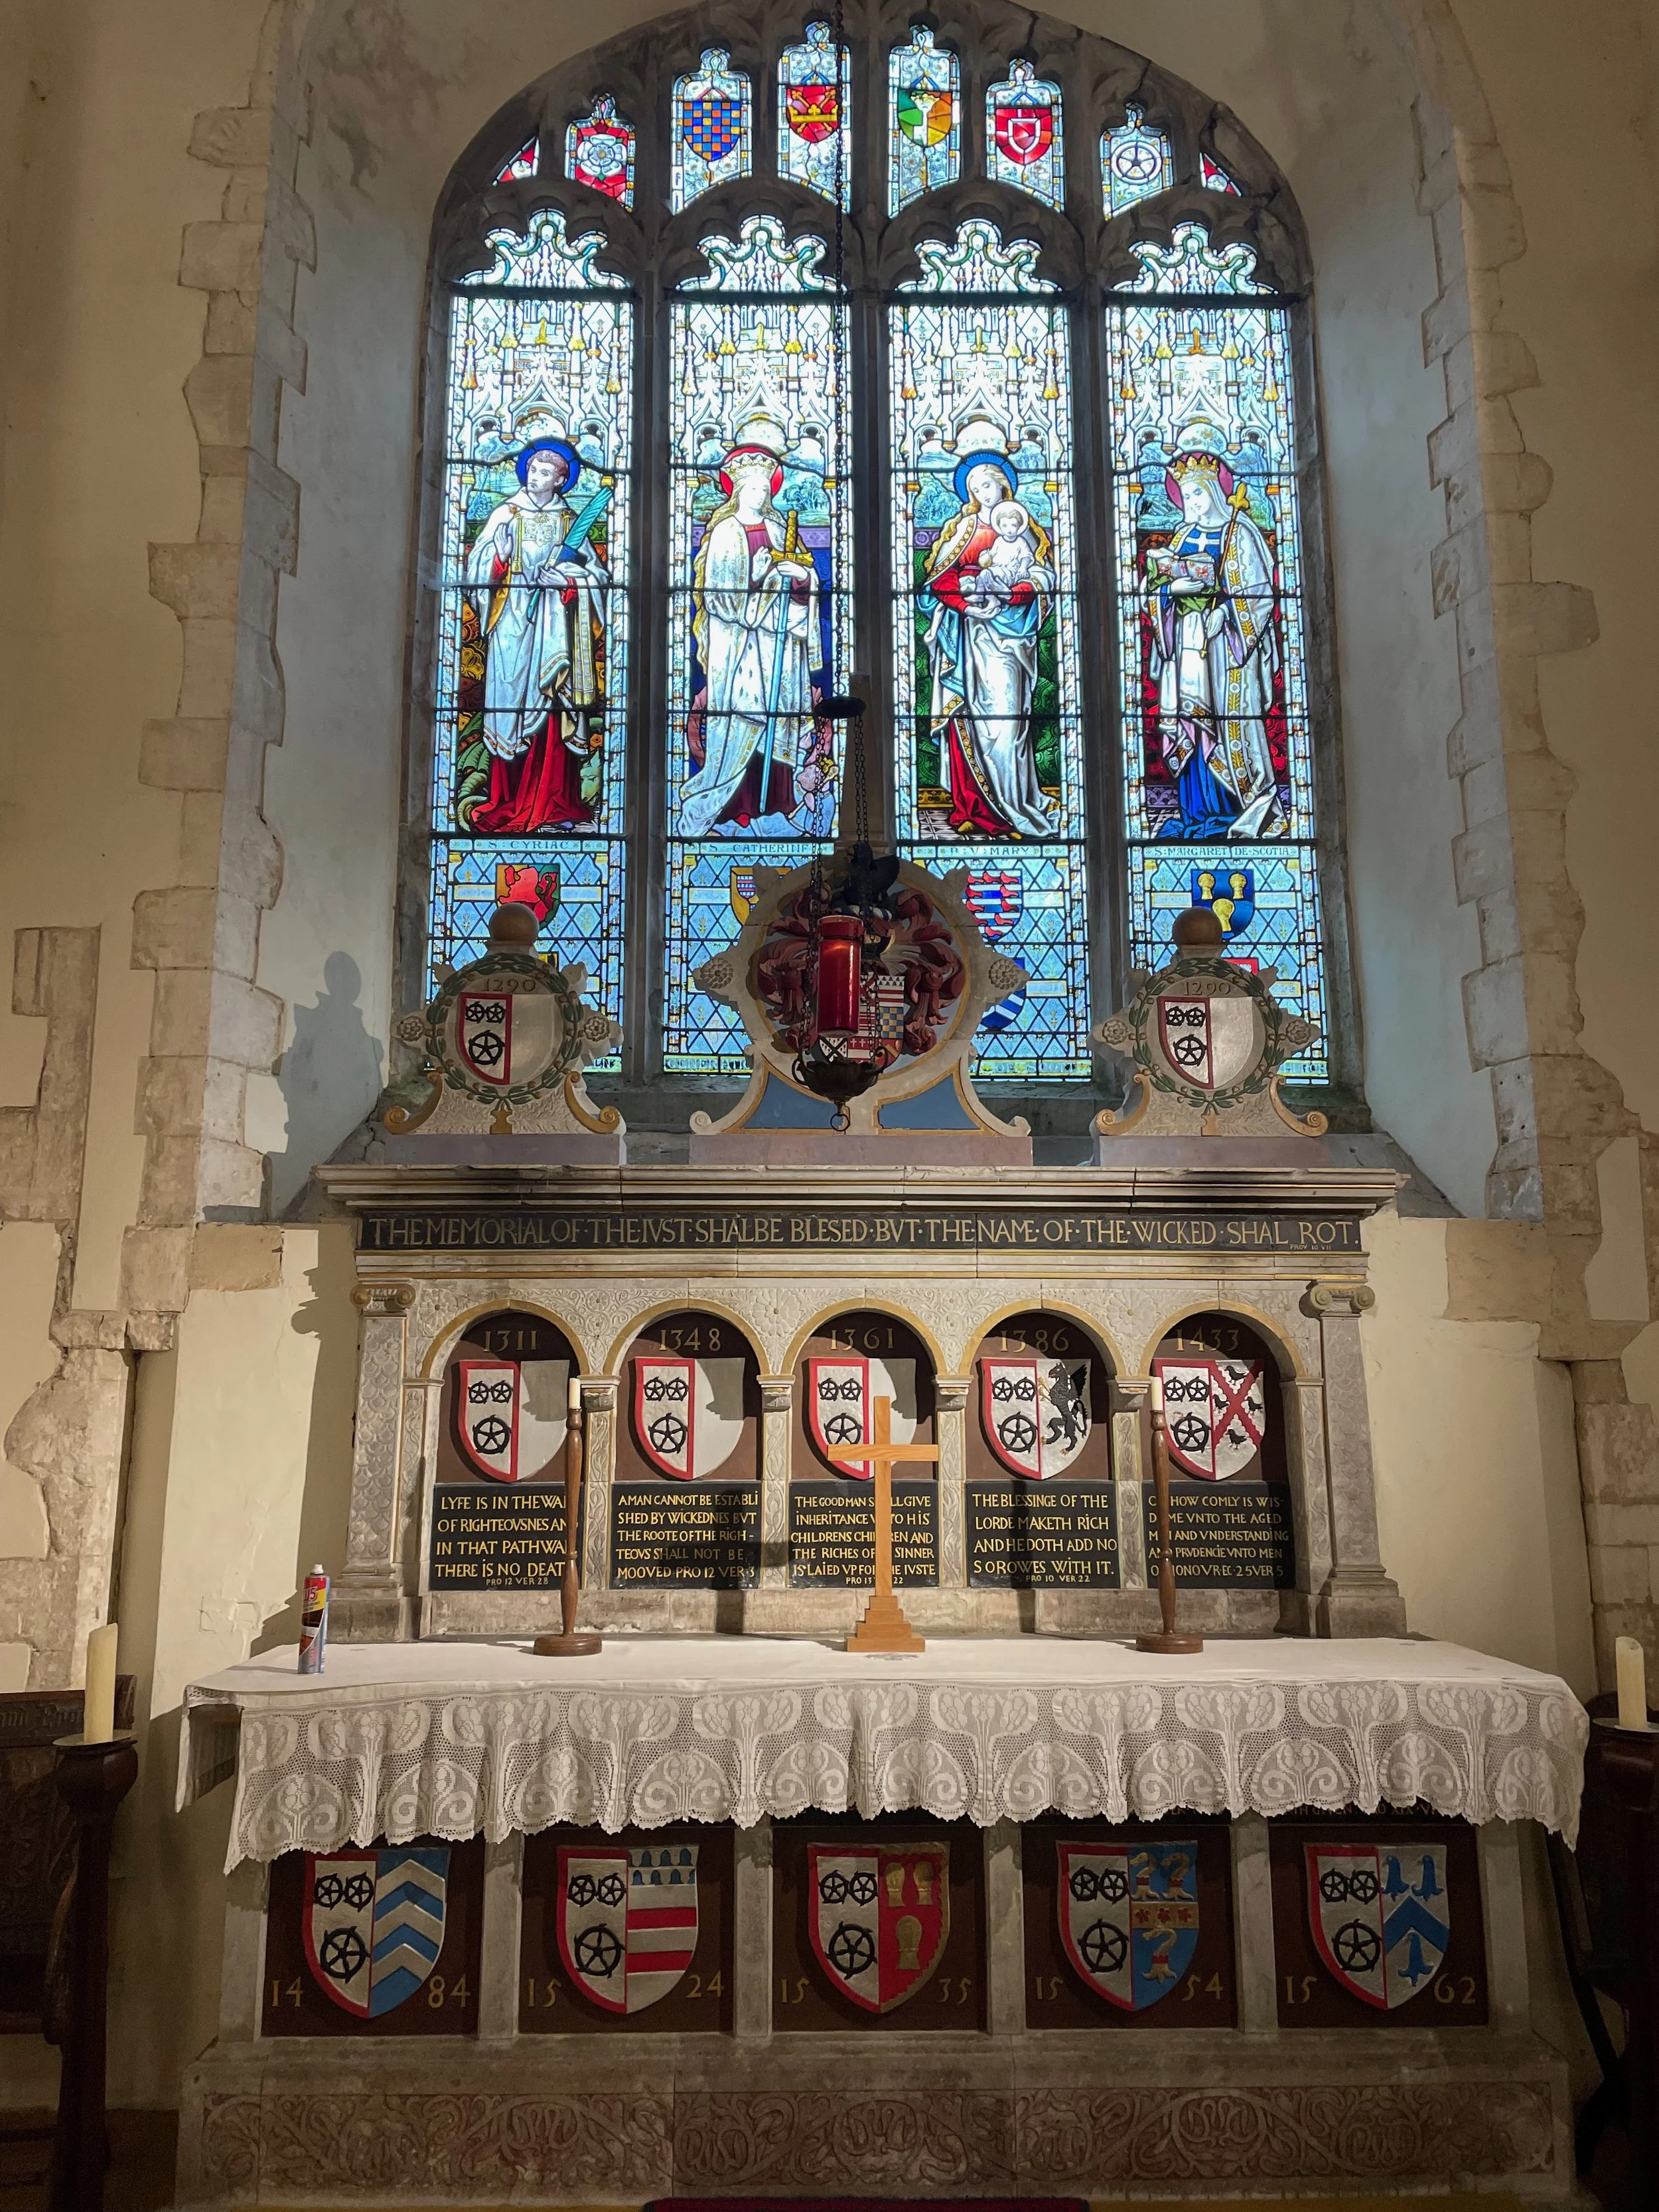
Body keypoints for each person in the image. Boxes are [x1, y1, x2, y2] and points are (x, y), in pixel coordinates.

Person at [463, 438, 609, 834]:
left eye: (545, 472)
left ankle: (557, 807)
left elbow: (597, 577)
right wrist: (501, 558)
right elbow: (478, 572)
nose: (534, 477)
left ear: (560, 481)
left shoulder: (568, 521)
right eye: (532, 470)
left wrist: (566, 579)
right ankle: (507, 805)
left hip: (556, 631)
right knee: (509, 709)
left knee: (555, 705)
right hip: (512, 628)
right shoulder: (505, 515)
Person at [681, 435, 824, 838]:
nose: (761, 494)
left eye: (766, 487)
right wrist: (761, 578)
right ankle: (733, 809)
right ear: (739, 489)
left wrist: (801, 578)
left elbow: (803, 576)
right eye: (754, 487)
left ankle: (779, 804)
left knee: (780, 723)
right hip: (740, 649)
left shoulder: (780, 529)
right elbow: (720, 599)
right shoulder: (726, 532)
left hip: (779, 647)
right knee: (743, 723)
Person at [1145, 427, 1282, 839]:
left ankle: (1243, 807)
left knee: (1228, 721)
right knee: (1191, 723)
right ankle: (1197, 814)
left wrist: (1225, 613)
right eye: (1185, 497)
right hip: (1188, 645)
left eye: (1197, 495)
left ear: (1214, 494)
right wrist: (1171, 590)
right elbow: (1156, 589)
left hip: (1227, 650)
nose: (1190, 504)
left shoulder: (1240, 533)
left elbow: (1259, 594)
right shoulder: (1183, 537)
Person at [922, 453, 1056, 838]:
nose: (983, 492)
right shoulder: (962, 530)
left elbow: (1042, 581)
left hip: (1012, 637)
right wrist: (967, 605)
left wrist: (1011, 597)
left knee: (1007, 722)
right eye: (975, 487)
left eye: (989, 483)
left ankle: (1013, 805)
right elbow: (939, 582)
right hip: (967, 637)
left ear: (1003, 484)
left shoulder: (1028, 532)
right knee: (965, 714)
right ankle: (971, 807)